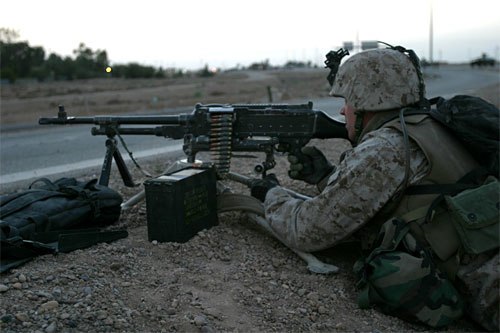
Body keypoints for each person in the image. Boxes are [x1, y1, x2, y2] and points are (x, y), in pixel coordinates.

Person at [249, 46, 499, 331]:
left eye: (348, 100)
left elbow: (308, 229)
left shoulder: (387, 147)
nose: (343, 110)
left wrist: (271, 194)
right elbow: (405, 199)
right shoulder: (428, 125)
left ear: (368, 101)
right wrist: (324, 177)